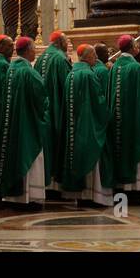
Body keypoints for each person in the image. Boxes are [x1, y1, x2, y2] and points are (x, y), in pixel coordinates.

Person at [0, 35, 48, 209]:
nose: (35, 52)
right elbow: (41, 98)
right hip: (27, 124)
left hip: (13, 121)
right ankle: (27, 198)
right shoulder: (29, 72)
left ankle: (14, 196)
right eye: (33, 49)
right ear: (28, 50)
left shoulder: (12, 69)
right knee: (29, 156)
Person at [59, 43, 111, 207]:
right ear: (87, 57)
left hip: (74, 126)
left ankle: (80, 195)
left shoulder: (71, 75)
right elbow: (99, 102)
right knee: (92, 158)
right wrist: (108, 114)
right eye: (94, 55)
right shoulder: (89, 75)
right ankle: (92, 196)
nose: (96, 58)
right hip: (89, 126)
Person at [107, 33, 140, 202]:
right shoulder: (136, 68)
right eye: (136, 45)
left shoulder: (114, 67)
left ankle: (121, 189)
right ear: (133, 48)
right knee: (134, 148)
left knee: (120, 150)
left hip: (117, 120)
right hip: (134, 119)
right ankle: (135, 190)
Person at [35, 30, 71, 198]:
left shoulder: (41, 57)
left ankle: (45, 183)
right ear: (60, 43)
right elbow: (67, 85)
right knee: (58, 143)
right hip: (58, 108)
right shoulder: (61, 58)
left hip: (43, 109)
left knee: (46, 145)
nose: (68, 45)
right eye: (67, 42)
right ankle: (56, 186)